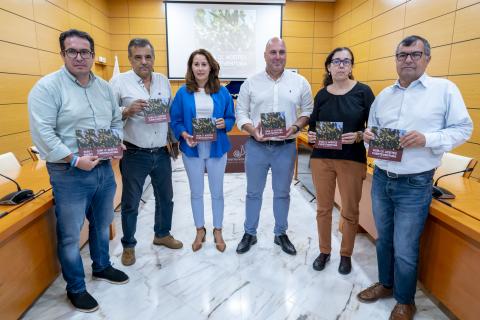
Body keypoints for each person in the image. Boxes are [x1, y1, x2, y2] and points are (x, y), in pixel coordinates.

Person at [357, 35, 473, 320]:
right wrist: (368, 138)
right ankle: (386, 284)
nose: (408, 59)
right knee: (384, 239)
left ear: (427, 58)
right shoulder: (384, 96)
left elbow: (463, 129)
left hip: (415, 182)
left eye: (415, 54)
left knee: (406, 246)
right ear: (396, 59)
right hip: (382, 177)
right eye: (402, 55)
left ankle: (405, 300)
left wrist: (427, 139)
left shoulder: (444, 90)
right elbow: (370, 134)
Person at [28, 29, 128, 313]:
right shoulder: (47, 87)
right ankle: (76, 287)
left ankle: (102, 267)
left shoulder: (105, 87)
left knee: (102, 222)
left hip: (104, 169)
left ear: (93, 55)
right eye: (72, 51)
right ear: (62, 54)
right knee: (71, 235)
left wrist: (116, 142)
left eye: (85, 52)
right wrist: (74, 160)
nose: (79, 57)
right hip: (69, 172)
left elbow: (115, 121)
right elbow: (43, 133)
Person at [235, 37, 313, 255]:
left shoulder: (300, 82)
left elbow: (308, 110)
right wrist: (252, 129)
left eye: (282, 52)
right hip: (257, 146)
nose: (278, 56)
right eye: (273, 52)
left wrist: (296, 127)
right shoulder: (250, 83)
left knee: (282, 193)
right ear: (265, 55)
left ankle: (280, 233)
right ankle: (250, 233)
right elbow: (240, 112)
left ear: (286, 54)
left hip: (286, 147)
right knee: (253, 193)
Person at [110, 38, 183, 267]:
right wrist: (126, 110)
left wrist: (173, 142)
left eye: (148, 57)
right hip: (134, 153)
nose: (144, 61)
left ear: (153, 58)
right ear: (130, 59)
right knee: (130, 203)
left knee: (166, 198)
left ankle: (162, 234)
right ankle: (129, 245)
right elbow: (107, 115)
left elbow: (168, 114)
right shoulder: (118, 82)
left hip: (161, 152)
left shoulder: (163, 81)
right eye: (138, 57)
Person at [307, 47, 374, 274]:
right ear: (329, 66)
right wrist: (312, 135)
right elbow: (313, 127)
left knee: (350, 210)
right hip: (322, 159)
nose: (341, 65)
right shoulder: (322, 94)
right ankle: (324, 251)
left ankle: (345, 254)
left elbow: (374, 128)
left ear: (352, 66)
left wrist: (357, 135)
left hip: (352, 159)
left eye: (346, 61)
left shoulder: (364, 92)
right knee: (323, 209)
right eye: (337, 61)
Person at [170, 49, 235, 252]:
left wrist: (225, 123)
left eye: (203, 64)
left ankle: (217, 229)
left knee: (217, 192)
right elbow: (176, 120)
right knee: (196, 193)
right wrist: (183, 134)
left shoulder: (222, 91)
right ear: (191, 68)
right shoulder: (183, 93)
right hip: (192, 150)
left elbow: (231, 118)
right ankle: (200, 230)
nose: (200, 68)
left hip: (217, 149)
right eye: (196, 64)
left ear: (210, 67)